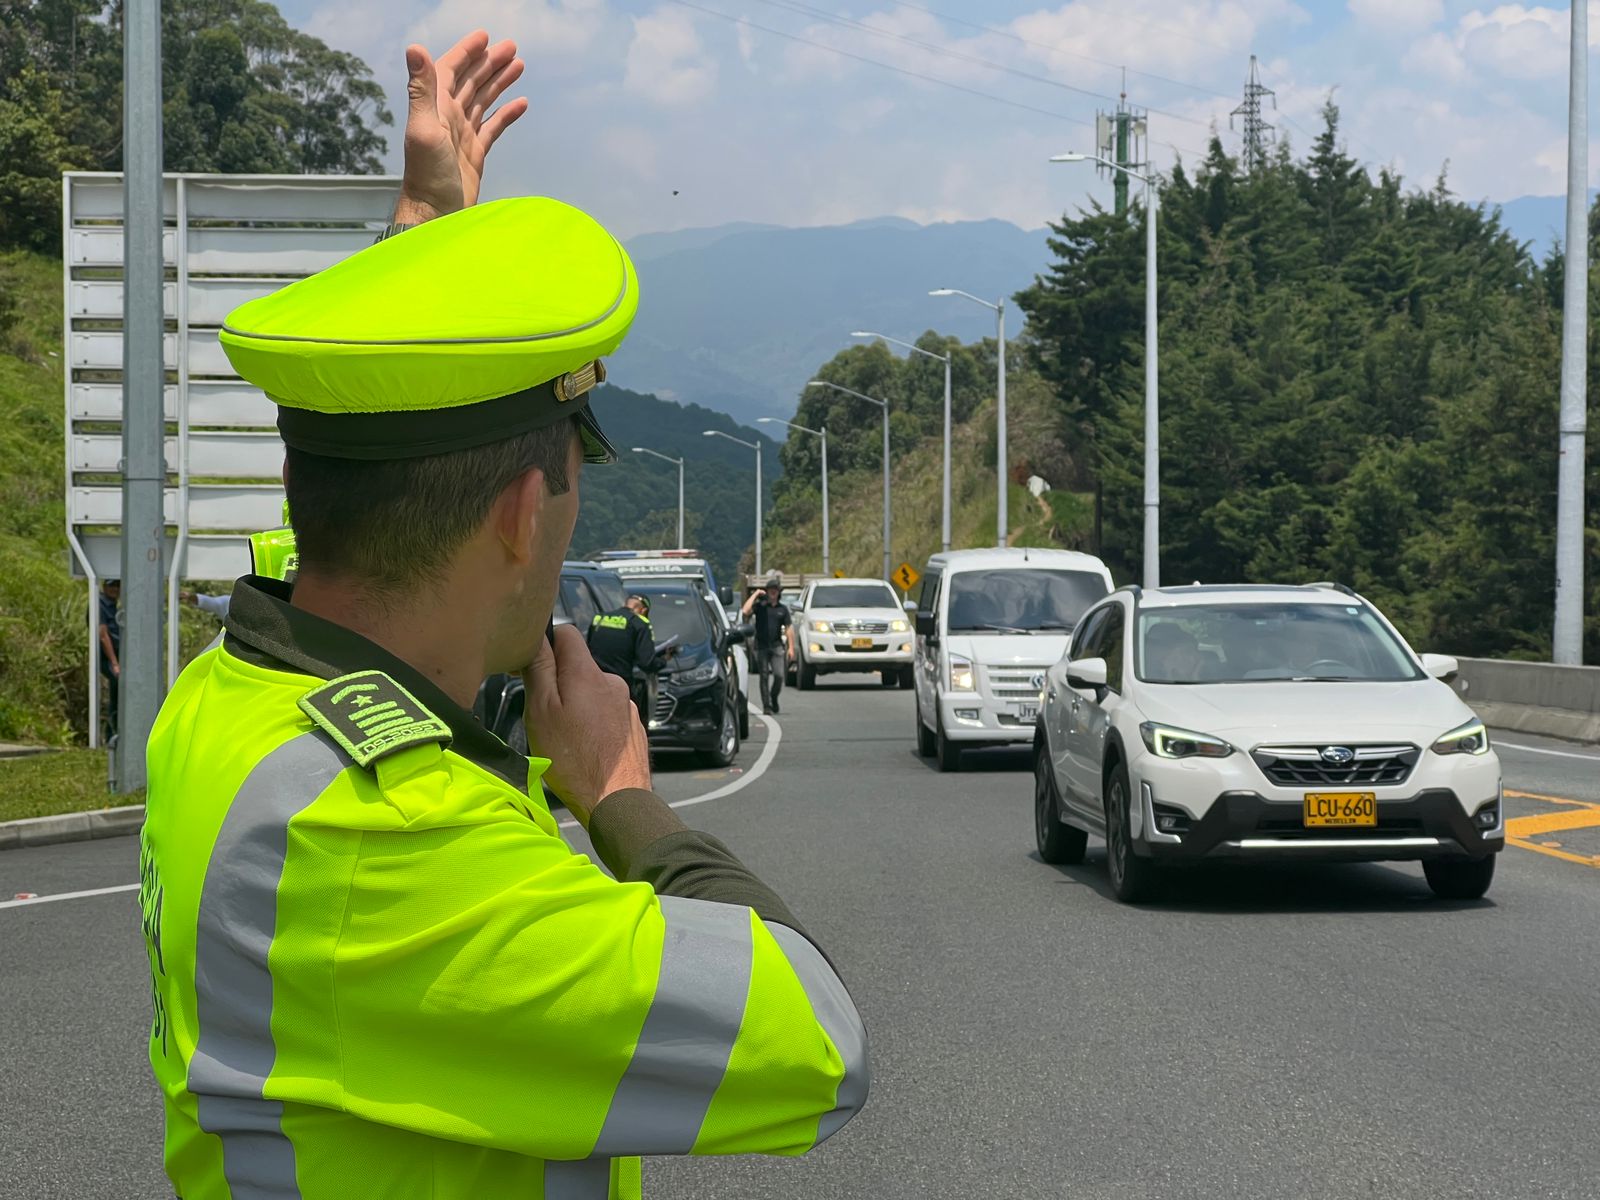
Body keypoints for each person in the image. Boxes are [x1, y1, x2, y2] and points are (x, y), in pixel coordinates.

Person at [138, 30, 866, 1200]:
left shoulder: (226, 694)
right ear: (524, 516)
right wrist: (624, 799)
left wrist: (425, 250)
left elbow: (337, 492)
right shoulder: (379, 840)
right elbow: (811, 1040)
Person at [587, 594, 677, 725]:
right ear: (643, 610)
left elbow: (589, 647)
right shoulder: (640, 623)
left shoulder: (599, 618)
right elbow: (646, 663)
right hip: (620, 687)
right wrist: (664, 660)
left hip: (593, 684)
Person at [741, 575, 791, 714]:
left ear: (779, 592)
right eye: (770, 589)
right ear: (767, 591)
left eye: (775, 589)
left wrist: (791, 648)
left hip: (777, 646)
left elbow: (789, 629)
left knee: (779, 675)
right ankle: (767, 705)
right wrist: (756, 594)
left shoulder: (783, 609)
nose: (773, 592)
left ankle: (774, 696)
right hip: (761, 646)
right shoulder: (760, 606)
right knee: (763, 675)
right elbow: (745, 611)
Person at [97, 577, 120, 737]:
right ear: (105, 586)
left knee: (119, 693)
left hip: (118, 658)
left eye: (118, 586)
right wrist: (115, 663)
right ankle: (111, 733)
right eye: (112, 586)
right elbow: (103, 635)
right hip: (108, 658)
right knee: (118, 690)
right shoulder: (100, 604)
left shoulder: (115, 606)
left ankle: (115, 731)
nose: (115, 589)